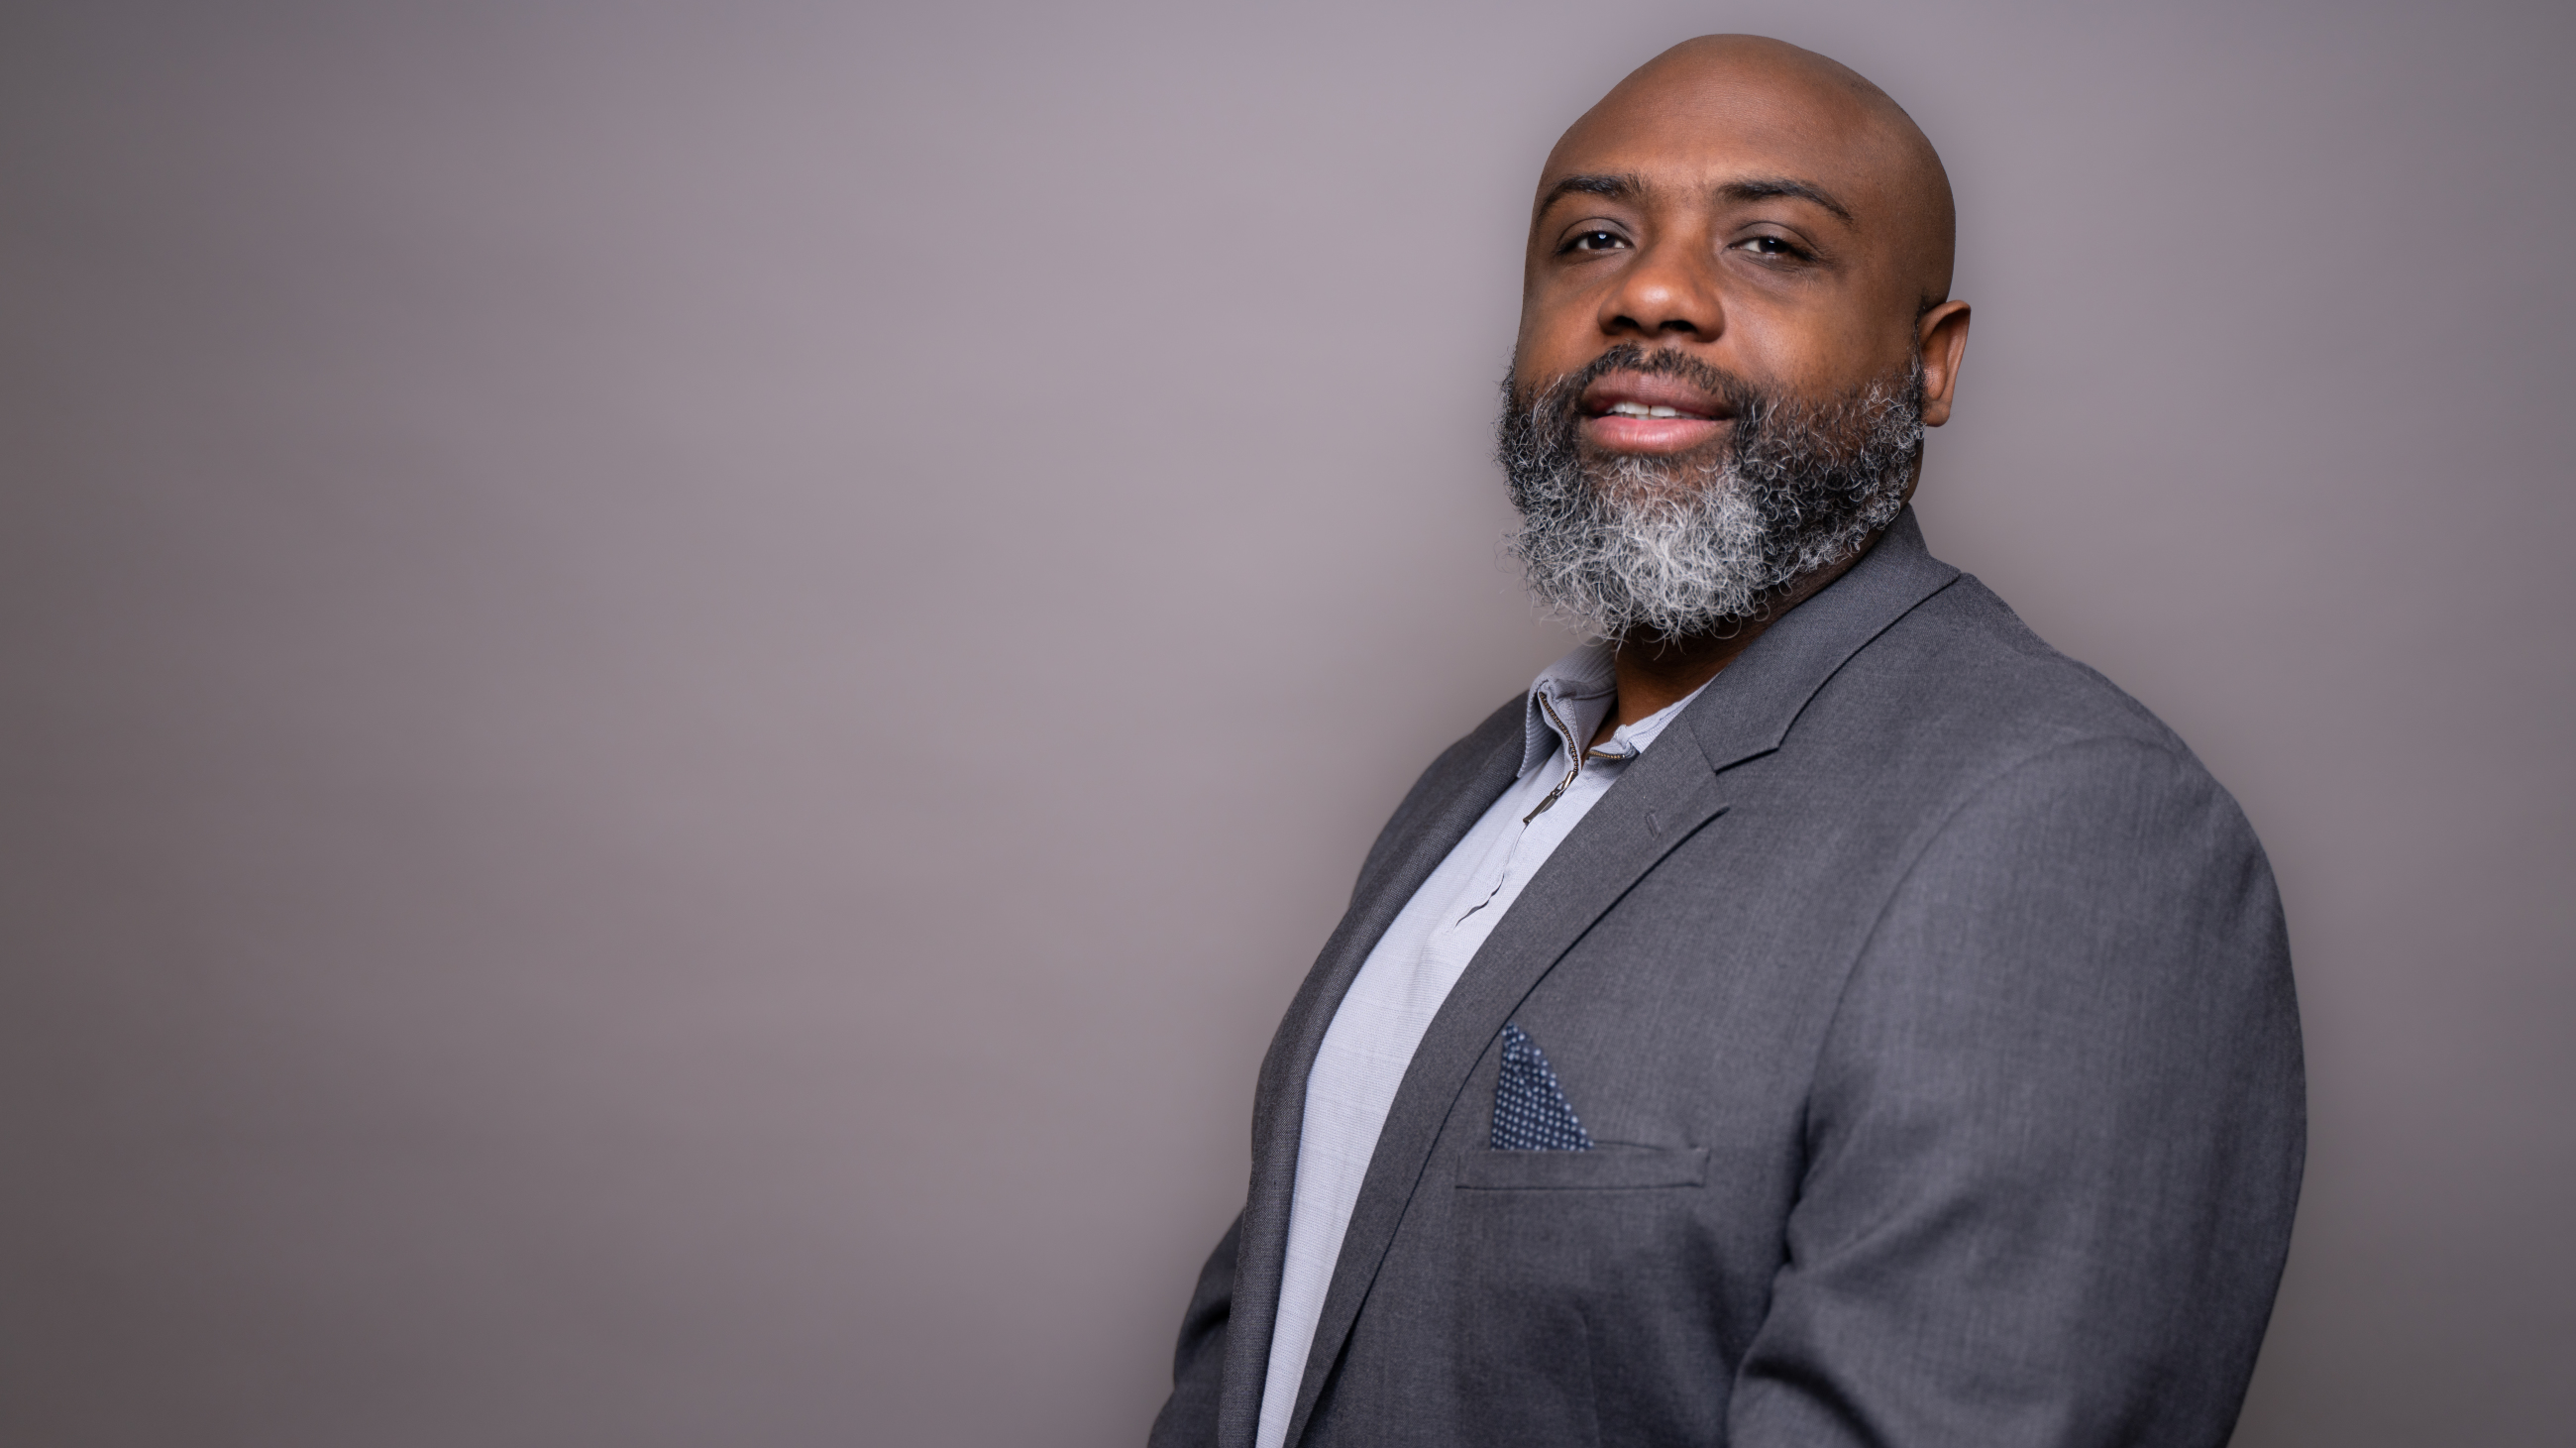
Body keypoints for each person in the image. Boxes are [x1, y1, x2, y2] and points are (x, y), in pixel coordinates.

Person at [1149, 35, 2304, 1448]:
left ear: (1931, 361)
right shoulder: (1474, 788)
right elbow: (1266, 1350)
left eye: (1770, 244)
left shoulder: (2070, 830)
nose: (1649, 292)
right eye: (1593, 237)